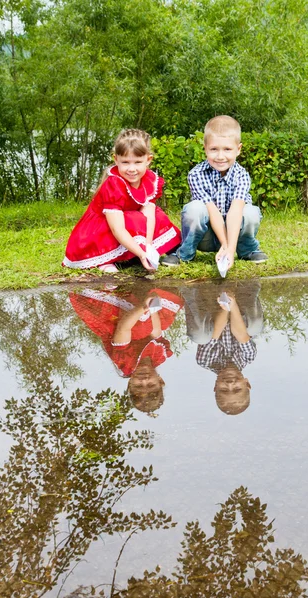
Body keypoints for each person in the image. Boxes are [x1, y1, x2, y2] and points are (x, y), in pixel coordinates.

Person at [63, 129, 181, 273]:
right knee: (133, 219)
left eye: (138, 162)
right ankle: (107, 260)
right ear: (116, 159)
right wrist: (142, 254)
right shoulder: (113, 184)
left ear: (148, 160)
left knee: (158, 215)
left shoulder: (149, 180)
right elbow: (116, 228)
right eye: (125, 162)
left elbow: (149, 215)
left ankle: (146, 252)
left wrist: (147, 247)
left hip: (127, 223)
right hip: (101, 229)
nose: (132, 169)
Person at [161, 115, 268, 269]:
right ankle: (184, 254)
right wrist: (224, 245)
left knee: (251, 212)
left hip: (235, 236)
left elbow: (236, 211)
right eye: (214, 149)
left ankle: (247, 250)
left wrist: (230, 249)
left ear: (238, 150)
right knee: (194, 209)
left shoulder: (242, 175)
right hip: (206, 237)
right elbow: (212, 212)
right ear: (205, 148)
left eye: (227, 149)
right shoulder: (196, 174)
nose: (220, 156)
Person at [69, 286, 184, 414]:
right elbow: (156, 332)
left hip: (116, 319)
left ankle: (124, 291)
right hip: (142, 320)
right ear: (160, 381)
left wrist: (144, 307)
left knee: (141, 329)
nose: (144, 380)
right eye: (151, 385)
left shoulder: (125, 363)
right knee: (159, 319)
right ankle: (144, 292)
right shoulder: (159, 356)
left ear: (130, 384)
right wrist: (153, 308)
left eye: (138, 386)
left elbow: (123, 328)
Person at [181, 282, 262, 415]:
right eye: (237, 389)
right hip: (236, 306)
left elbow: (216, 331)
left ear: (215, 387)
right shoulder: (248, 357)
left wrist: (225, 303)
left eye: (224, 390)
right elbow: (240, 333)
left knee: (200, 337)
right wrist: (232, 302)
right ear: (247, 383)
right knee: (255, 327)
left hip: (210, 308)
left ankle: (190, 289)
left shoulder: (205, 361)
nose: (230, 384)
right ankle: (249, 284)